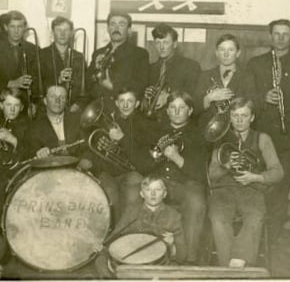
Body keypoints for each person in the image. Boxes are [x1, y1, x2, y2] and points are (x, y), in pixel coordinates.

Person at [246, 19, 290, 242]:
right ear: (270, 36)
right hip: (260, 137)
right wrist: (262, 98)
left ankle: (274, 235)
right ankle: (256, 231)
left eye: (285, 34)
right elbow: (245, 98)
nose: (281, 38)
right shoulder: (255, 63)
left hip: (288, 137)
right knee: (259, 185)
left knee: (281, 186)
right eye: (277, 34)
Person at [208, 97, 283, 267]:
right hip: (223, 190)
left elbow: (278, 172)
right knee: (218, 218)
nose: (239, 120)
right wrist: (226, 166)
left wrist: (255, 177)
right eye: (235, 116)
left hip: (252, 189)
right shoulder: (220, 140)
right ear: (230, 117)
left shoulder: (262, 138)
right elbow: (211, 175)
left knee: (255, 217)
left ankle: (236, 263)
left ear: (252, 117)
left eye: (244, 115)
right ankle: (228, 270)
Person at [85, 88, 161, 223]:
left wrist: (122, 139)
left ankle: (126, 234)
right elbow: (96, 152)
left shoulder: (145, 124)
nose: (125, 105)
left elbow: (145, 161)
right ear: (116, 103)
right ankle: (113, 234)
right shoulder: (107, 121)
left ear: (137, 104)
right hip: (108, 172)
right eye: (122, 101)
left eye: (130, 101)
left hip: (132, 171)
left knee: (132, 196)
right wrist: (102, 147)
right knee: (109, 196)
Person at [153, 90, 208, 264]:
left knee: (196, 202)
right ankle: (148, 258)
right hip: (160, 182)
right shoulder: (156, 131)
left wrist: (176, 158)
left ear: (190, 111)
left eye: (181, 108)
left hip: (187, 185)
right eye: (172, 107)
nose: (176, 112)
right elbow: (143, 164)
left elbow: (200, 173)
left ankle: (190, 260)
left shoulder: (199, 135)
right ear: (167, 110)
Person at [94, 174, 187, 278]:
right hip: (130, 262)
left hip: (157, 265)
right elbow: (114, 237)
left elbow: (181, 256)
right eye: (148, 190)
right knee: (100, 261)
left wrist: (172, 246)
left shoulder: (174, 216)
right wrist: (102, 247)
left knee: (174, 271)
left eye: (158, 189)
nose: (153, 193)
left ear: (165, 194)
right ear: (142, 194)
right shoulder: (131, 212)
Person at [193, 34, 255, 130]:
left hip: (236, 130)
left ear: (238, 53)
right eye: (222, 50)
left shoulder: (247, 77)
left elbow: (254, 106)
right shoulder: (205, 76)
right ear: (217, 53)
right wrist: (208, 99)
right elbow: (194, 108)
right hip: (209, 130)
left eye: (230, 50)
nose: (226, 54)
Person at [0, 10, 42, 118]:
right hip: (0, 106)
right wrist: (10, 83)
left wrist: (34, 103)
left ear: (24, 28)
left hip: (25, 107)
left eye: (20, 27)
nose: (16, 31)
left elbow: (39, 80)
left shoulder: (34, 50)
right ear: (6, 27)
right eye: (12, 26)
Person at [88, 12, 149, 105]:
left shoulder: (140, 54)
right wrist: (95, 71)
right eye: (112, 24)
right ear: (108, 29)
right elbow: (87, 85)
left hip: (125, 109)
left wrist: (112, 86)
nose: (116, 28)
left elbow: (140, 86)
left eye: (121, 24)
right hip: (99, 108)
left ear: (129, 30)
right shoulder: (98, 53)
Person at [143, 24, 200, 120]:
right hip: (153, 122)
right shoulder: (151, 68)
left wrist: (169, 97)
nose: (161, 47)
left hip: (178, 121)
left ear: (175, 44)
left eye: (165, 42)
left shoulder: (190, 66)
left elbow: (194, 95)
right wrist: (146, 97)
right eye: (157, 43)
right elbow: (144, 103)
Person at [22, 85, 84, 159]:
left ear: (66, 101)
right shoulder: (34, 128)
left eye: (62, 97)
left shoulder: (79, 119)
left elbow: (89, 147)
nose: (57, 101)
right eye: (53, 97)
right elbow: (29, 154)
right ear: (45, 101)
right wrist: (38, 153)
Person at [39, 16, 87, 112]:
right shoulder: (41, 55)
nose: (62, 33)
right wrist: (58, 80)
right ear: (52, 33)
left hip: (73, 109)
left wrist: (78, 104)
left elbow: (85, 87)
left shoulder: (79, 57)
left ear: (71, 33)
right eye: (58, 30)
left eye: (66, 30)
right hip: (49, 109)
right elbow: (37, 86)